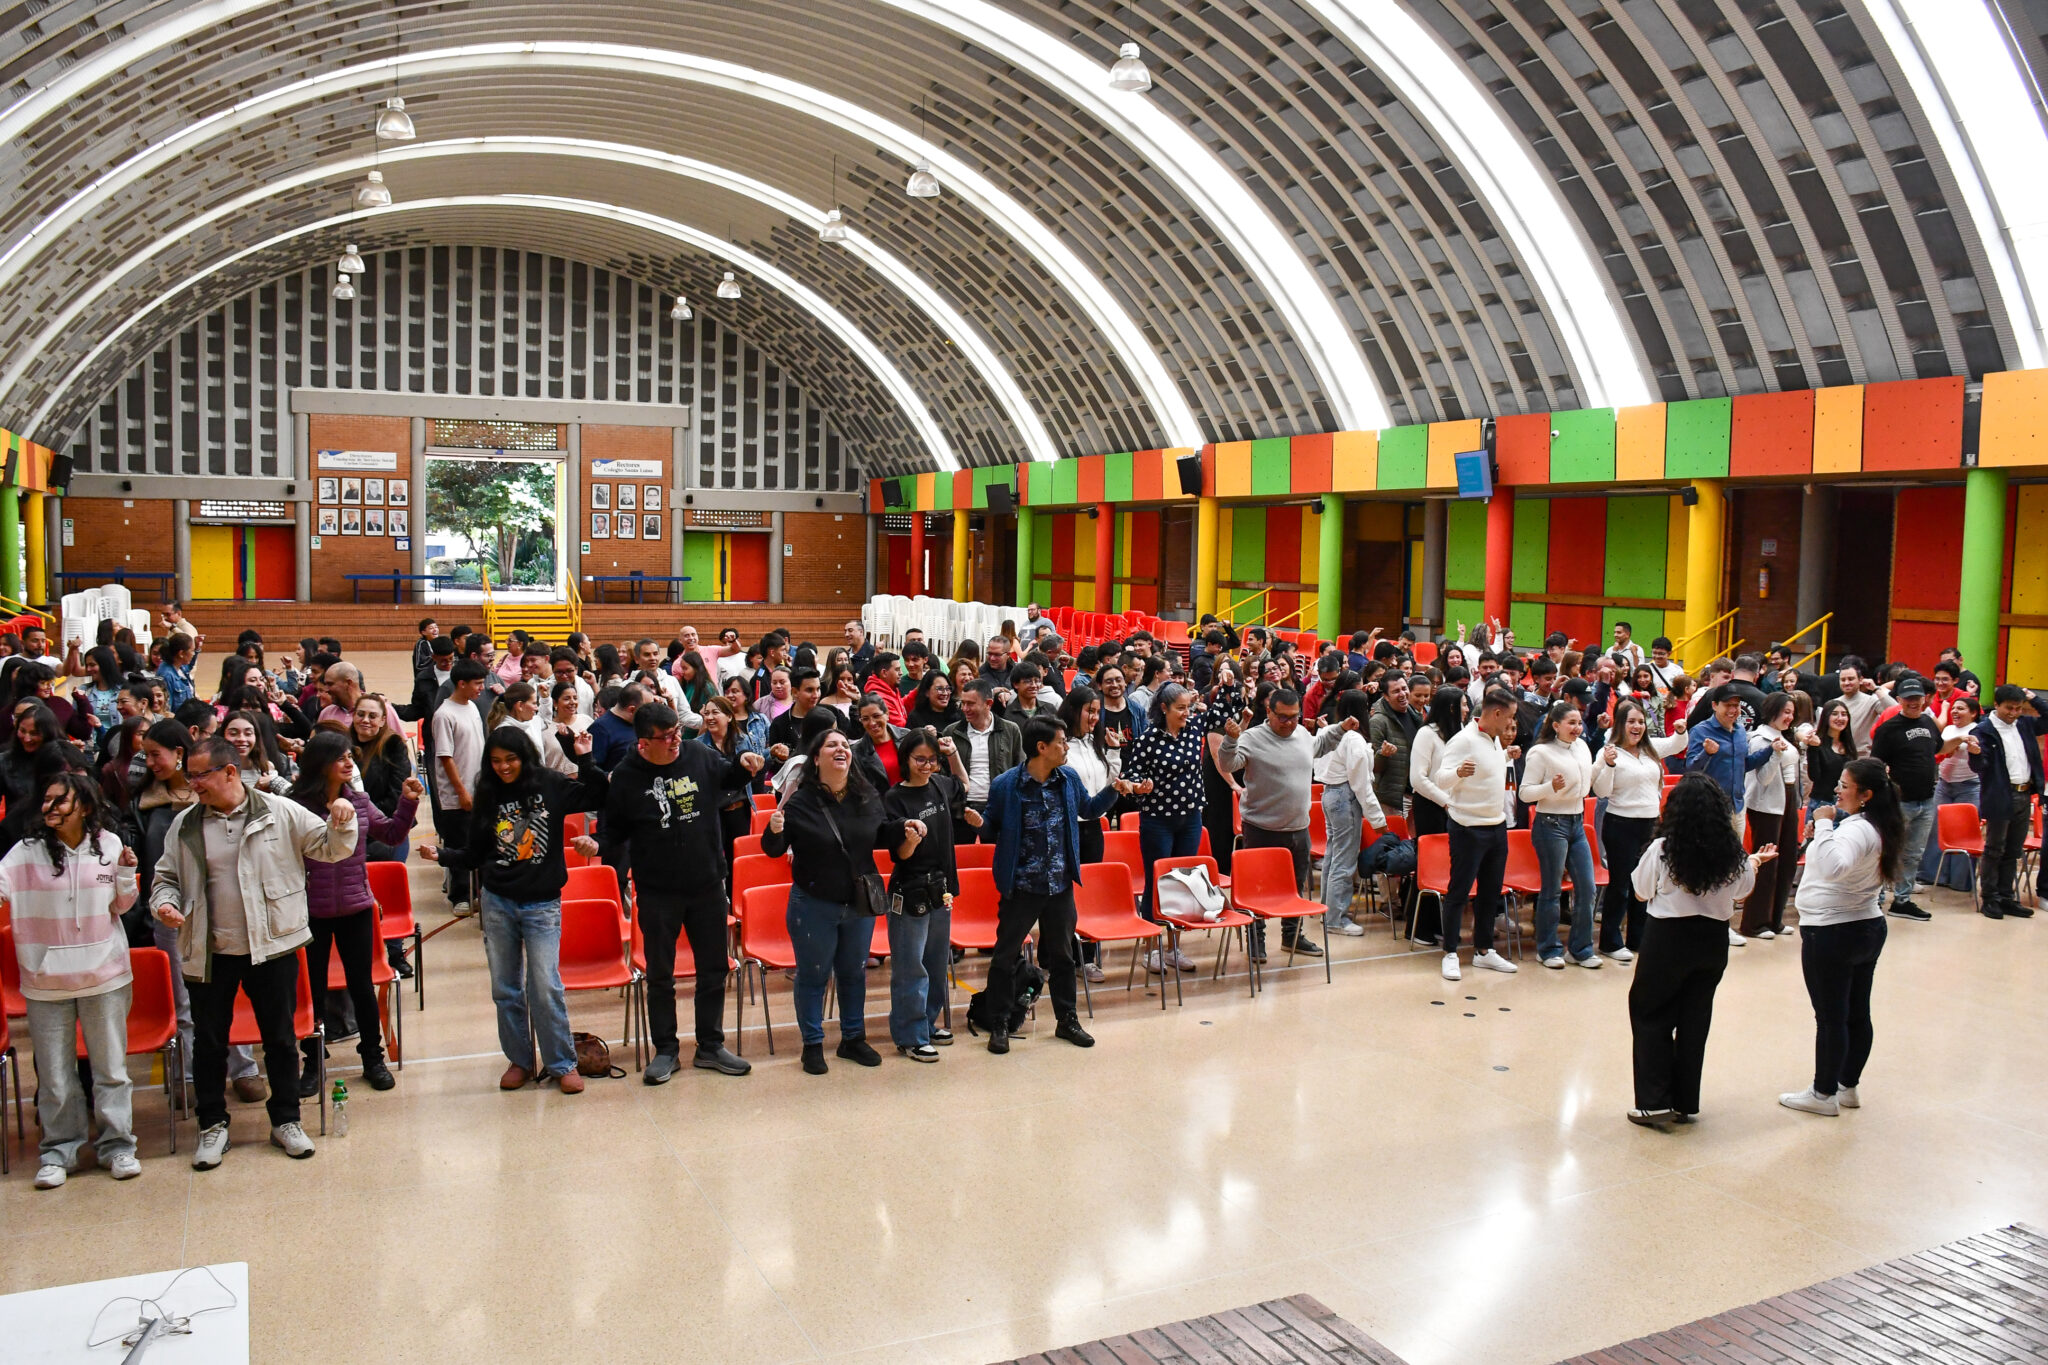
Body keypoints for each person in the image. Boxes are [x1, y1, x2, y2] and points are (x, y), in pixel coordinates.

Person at [150, 736, 359, 1168]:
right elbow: (164, 877)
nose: (194, 784)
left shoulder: (279, 811)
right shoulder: (186, 824)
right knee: (209, 1043)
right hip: (209, 950)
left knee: (280, 1039)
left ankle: (286, 1120)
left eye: (201, 775)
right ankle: (212, 1126)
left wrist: (343, 819)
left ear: (230, 772)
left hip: (272, 945)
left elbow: (331, 848)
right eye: (190, 776)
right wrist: (165, 903)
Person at [424, 726, 608, 1093]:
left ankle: (561, 1062)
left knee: (545, 986)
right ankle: (520, 1061)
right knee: (505, 988)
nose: (503, 767)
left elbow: (598, 794)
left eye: (510, 760)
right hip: (498, 903)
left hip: (542, 904)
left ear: (525, 756)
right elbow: (476, 853)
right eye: (495, 761)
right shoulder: (488, 792)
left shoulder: (549, 783)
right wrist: (441, 854)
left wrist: (584, 757)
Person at [601, 702, 763, 1083]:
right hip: (658, 892)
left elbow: (727, 776)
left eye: (677, 731)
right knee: (661, 974)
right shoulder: (625, 777)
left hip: (707, 884)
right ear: (643, 743)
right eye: (667, 736)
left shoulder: (696, 753)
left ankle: (710, 1045)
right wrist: (598, 847)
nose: (677, 740)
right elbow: (617, 834)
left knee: (713, 968)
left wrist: (746, 764)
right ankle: (667, 1050)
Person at [3, 773, 142, 1187]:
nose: (51, 808)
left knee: (110, 1068)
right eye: (46, 800)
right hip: (46, 980)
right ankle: (59, 1150)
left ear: (83, 806)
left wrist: (125, 876)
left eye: (60, 801)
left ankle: (118, 1146)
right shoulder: (24, 853)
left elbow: (121, 905)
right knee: (55, 1074)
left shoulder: (110, 845)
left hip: (104, 975)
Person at [761, 728, 915, 1075]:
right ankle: (812, 1044)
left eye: (845, 745)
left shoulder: (867, 796)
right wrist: (773, 829)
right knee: (814, 975)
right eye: (831, 745)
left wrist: (906, 827)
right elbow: (772, 849)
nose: (841, 749)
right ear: (816, 758)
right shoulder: (800, 800)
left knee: (852, 973)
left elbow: (884, 834)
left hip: (857, 903)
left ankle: (852, 1038)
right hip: (814, 903)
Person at [1625, 774, 1771, 1129]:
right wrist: (1753, 863)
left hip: (1667, 939)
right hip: (1711, 941)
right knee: (1694, 1020)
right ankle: (1685, 1101)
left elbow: (1642, 892)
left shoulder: (1663, 848)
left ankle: (1653, 1102)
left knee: (1651, 1014)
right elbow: (1741, 891)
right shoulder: (1732, 851)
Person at [977, 716, 1125, 1053]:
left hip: (1059, 885)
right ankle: (999, 1021)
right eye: (1061, 741)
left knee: (1062, 956)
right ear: (1041, 747)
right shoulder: (1006, 785)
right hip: (1021, 886)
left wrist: (1113, 790)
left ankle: (1066, 1020)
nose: (1067, 746)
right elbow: (989, 830)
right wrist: (978, 822)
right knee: (1005, 956)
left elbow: (1088, 809)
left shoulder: (1068, 778)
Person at [289, 731, 419, 1093]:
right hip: (309, 912)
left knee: (361, 986)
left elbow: (392, 835)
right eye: (340, 757)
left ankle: (372, 1059)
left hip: (356, 907)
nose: (349, 763)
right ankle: (313, 1063)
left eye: (351, 756)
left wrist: (407, 802)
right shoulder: (294, 806)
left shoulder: (359, 802)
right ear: (320, 763)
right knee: (312, 989)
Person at [1780, 757, 1904, 1116]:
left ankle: (1823, 1094)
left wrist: (1823, 827)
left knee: (1831, 1016)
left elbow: (1834, 868)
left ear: (1865, 794)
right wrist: (1822, 835)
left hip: (1833, 932)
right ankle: (1847, 1085)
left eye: (1844, 786)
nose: (1837, 791)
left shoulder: (1855, 829)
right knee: (1855, 1012)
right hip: (1865, 926)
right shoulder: (1879, 824)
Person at [882, 729, 970, 1059]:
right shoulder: (895, 798)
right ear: (906, 759)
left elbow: (963, 784)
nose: (927, 765)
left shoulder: (939, 784)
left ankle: (928, 1023)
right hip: (910, 891)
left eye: (932, 759)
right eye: (920, 759)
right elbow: (900, 855)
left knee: (935, 962)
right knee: (910, 966)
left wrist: (951, 755)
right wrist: (911, 839)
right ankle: (910, 1035)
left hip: (942, 889)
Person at [1218, 687, 1323, 960]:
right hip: (1261, 828)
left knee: (1295, 886)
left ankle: (1292, 936)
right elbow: (1229, 763)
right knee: (1257, 888)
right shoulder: (1252, 738)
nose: (1289, 723)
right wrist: (1230, 740)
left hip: (1298, 828)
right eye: (1283, 717)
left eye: (1294, 717)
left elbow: (1319, 745)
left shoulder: (1302, 734)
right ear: (1268, 712)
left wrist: (1340, 729)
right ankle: (1256, 938)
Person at [1433, 690, 1522, 982]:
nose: (1512, 723)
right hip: (1468, 827)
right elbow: (1440, 780)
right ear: (1496, 714)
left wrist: (1506, 756)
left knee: (1489, 893)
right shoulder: (1463, 740)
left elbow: (1489, 772)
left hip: (1496, 826)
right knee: (1459, 892)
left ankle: (1484, 951)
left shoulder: (1495, 741)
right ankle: (1450, 953)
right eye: (1509, 716)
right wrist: (1458, 772)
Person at [1591, 698, 1688, 958]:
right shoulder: (1609, 751)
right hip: (1620, 823)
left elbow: (1677, 743)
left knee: (1645, 883)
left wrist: (1680, 729)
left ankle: (1638, 938)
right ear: (1621, 725)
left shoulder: (1650, 749)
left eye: (1641, 722)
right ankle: (1611, 942)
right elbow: (1601, 790)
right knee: (1620, 884)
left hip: (1650, 824)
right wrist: (1609, 765)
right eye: (1631, 721)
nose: (1637, 727)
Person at [1119, 682, 1202, 972]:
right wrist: (1140, 787)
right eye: (1180, 708)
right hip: (1158, 819)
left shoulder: (1194, 730)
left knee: (1182, 881)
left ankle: (1174, 947)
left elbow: (1220, 713)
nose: (1186, 713)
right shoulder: (1148, 739)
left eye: (1188, 707)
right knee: (1158, 882)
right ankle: (1151, 948)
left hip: (1190, 816)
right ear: (1164, 709)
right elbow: (1130, 776)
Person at [1518, 700, 1601, 968]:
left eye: (1579, 723)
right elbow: (1525, 793)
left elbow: (1587, 782)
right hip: (1550, 824)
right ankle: (1548, 948)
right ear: (1556, 726)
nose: (1577, 728)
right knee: (1552, 890)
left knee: (1587, 888)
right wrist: (1549, 787)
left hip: (1577, 823)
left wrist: (1605, 765)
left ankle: (1580, 948)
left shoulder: (1583, 747)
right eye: (1571, 723)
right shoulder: (1540, 752)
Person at [1313, 690, 1394, 939]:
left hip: (1329, 795)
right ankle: (1336, 918)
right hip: (1344, 797)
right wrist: (1379, 820)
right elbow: (1361, 784)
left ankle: (1328, 911)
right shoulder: (1353, 738)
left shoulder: (1328, 731)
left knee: (1333, 854)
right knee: (1344, 859)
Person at [1868, 676, 1941, 921]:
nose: (1914, 702)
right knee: (1886, 850)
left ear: (1924, 699)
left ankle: (1902, 900)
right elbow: (1876, 765)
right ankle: (1875, 899)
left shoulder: (1930, 724)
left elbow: (1937, 749)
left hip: (1927, 800)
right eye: (1908, 698)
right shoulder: (1888, 729)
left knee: (1913, 853)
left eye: (1918, 698)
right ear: (1899, 700)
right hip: (1899, 802)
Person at [1972, 685, 2044, 920]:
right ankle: (1990, 898)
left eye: (2018, 708)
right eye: (2009, 708)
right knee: (1995, 849)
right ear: (1997, 704)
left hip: (2025, 793)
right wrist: (1974, 753)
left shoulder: (2024, 725)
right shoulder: (1984, 730)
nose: (2014, 713)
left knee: (2013, 850)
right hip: (2000, 794)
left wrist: (2035, 699)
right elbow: (1979, 767)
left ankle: (2006, 896)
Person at [1739, 691, 1803, 938]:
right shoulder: (1759, 738)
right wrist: (1775, 753)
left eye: (1792, 713)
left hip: (1788, 799)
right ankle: (1754, 923)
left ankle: (1775, 919)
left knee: (1787, 859)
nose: (1790, 717)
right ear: (1773, 711)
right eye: (1786, 712)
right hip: (1765, 805)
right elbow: (1763, 778)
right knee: (1766, 862)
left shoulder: (1785, 736)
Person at [429, 659, 490, 914]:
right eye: (477, 683)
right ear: (461, 683)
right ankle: (460, 896)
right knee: (459, 845)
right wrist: (462, 792)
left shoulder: (473, 708)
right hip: (457, 796)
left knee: (480, 844)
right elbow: (446, 757)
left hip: (478, 791)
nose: (482, 688)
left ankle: (479, 893)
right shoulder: (444, 714)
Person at [942, 680, 1021, 842]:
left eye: (970, 704)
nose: (965, 709)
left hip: (997, 808)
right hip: (961, 809)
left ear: (988, 704)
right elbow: (944, 772)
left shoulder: (1010, 730)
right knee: (962, 860)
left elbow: (1019, 768)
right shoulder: (951, 732)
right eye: (962, 703)